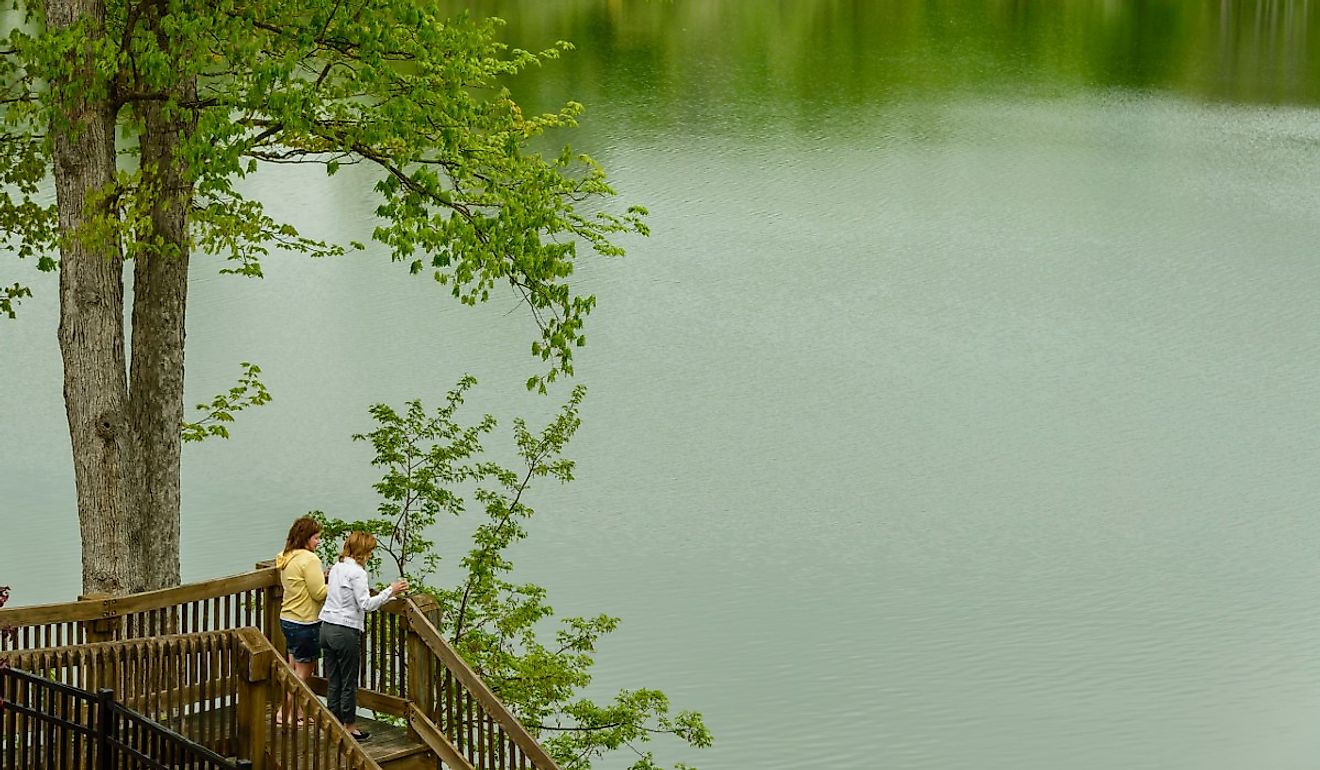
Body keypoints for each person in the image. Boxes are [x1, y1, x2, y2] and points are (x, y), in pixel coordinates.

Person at [319, 531, 408, 742]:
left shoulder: (336, 568)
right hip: (345, 630)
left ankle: (333, 722)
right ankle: (348, 726)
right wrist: (391, 591)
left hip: (326, 627)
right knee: (348, 680)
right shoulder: (358, 573)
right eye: (370, 551)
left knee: (334, 679)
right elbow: (366, 605)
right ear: (364, 552)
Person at [274, 516, 329, 724]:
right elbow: (318, 593)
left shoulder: (285, 556)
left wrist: (320, 576)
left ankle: (296, 712)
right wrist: (338, 583)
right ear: (305, 538)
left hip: (287, 618)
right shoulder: (310, 559)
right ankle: (284, 713)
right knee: (303, 672)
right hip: (305, 621)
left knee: (293, 668)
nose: (318, 542)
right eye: (316, 538)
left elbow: (301, 582)